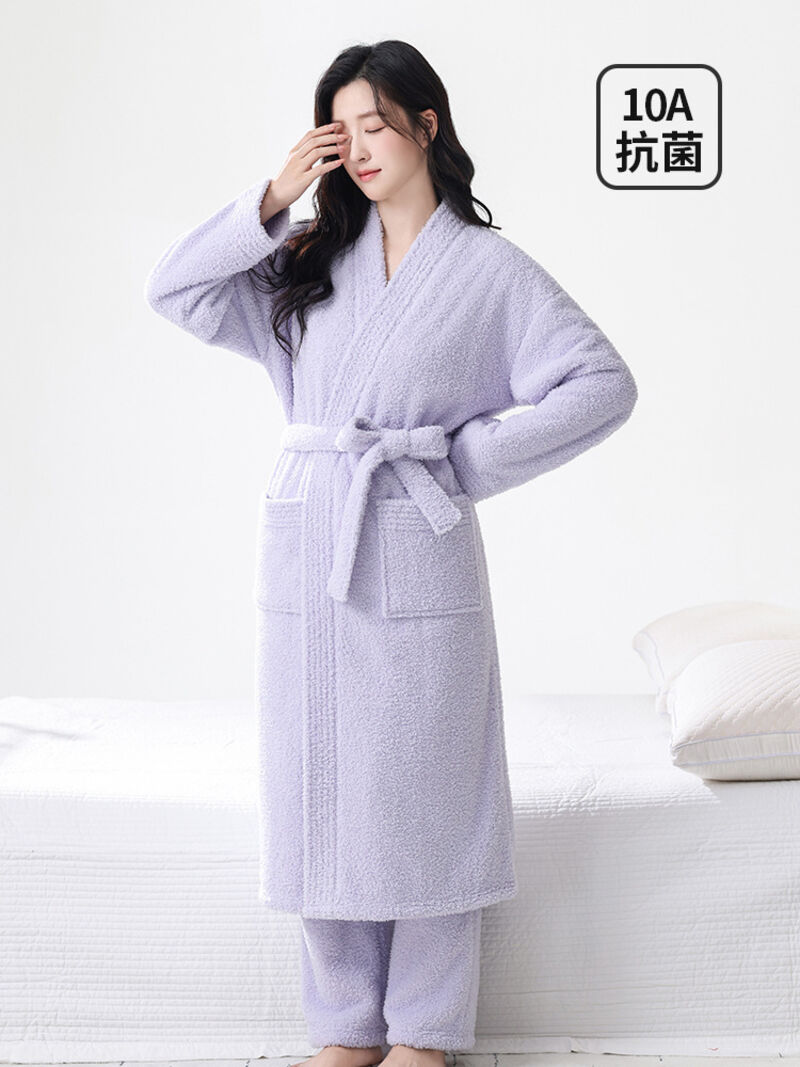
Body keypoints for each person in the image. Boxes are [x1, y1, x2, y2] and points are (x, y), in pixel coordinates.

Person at [144, 38, 638, 1067]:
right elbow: (176, 290)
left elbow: (601, 383)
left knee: (426, 780)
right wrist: (273, 196)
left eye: (375, 123)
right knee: (318, 772)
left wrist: (460, 459)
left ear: (426, 124)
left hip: (414, 532)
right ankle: (342, 1025)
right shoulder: (308, 258)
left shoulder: (488, 269)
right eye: (340, 130)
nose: (360, 147)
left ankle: (423, 1028)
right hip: (311, 531)